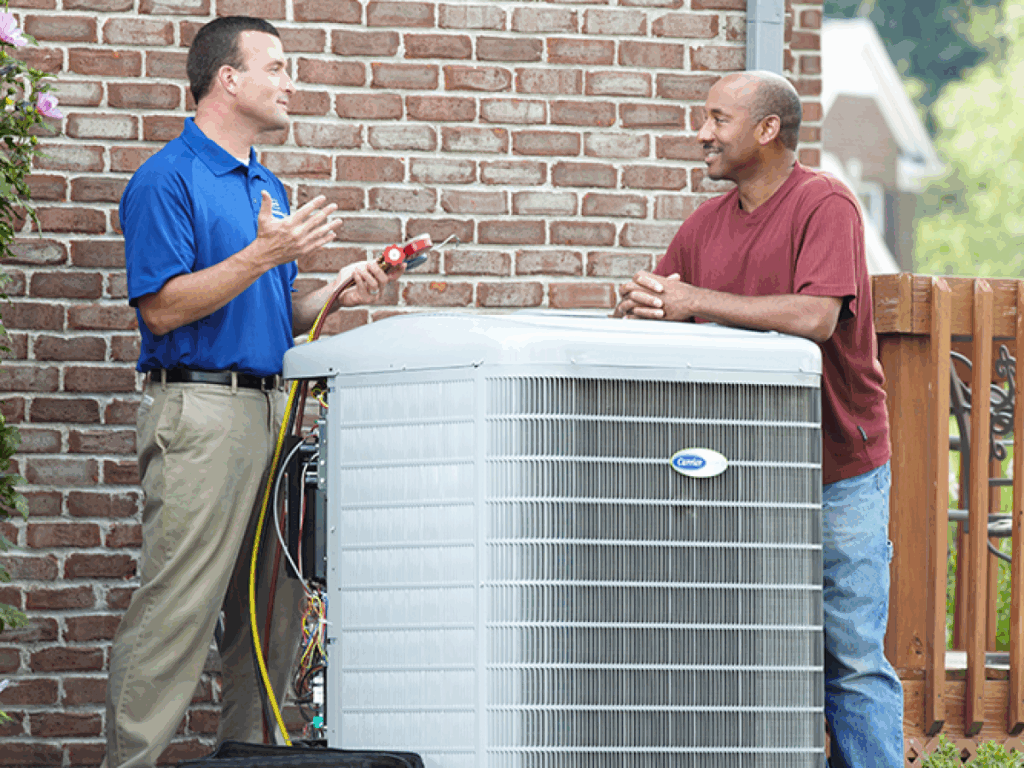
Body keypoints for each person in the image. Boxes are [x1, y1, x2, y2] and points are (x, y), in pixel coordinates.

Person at [103, 17, 403, 768]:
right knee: (178, 609)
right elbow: (162, 308)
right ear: (227, 78)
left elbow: (276, 311)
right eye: (276, 67)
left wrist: (336, 292)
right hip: (202, 414)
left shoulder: (267, 185)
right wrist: (264, 254)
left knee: (272, 617)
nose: (290, 83)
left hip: (275, 411)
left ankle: (252, 758)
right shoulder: (166, 179)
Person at [614, 71, 903, 767]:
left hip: (837, 472)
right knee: (740, 653)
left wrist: (693, 301)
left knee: (850, 659)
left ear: (768, 129)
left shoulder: (824, 204)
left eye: (718, 119)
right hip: (737, 479)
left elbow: (816, 316)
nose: (702, 134)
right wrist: (639, 309)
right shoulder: (704, 226)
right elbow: (670, 303)